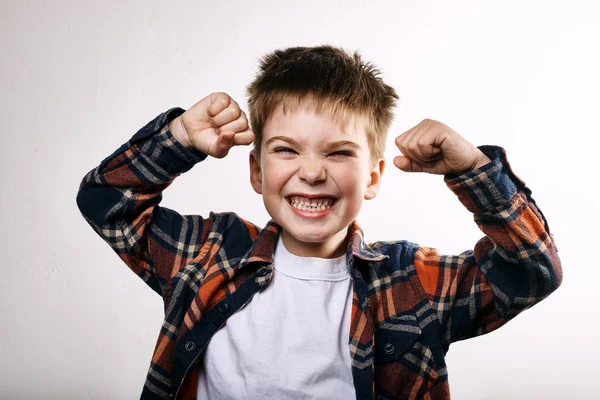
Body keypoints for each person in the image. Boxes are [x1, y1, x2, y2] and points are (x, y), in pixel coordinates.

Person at [76, 45, 562, 400]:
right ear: (256, 170)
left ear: (373, 177)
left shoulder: (410, 282)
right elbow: (106, 202)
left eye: (338, 152)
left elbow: (531, 273)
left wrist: (474, 171)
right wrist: (178, 138)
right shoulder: (207, 254)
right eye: (286, 150)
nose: (311, 171)